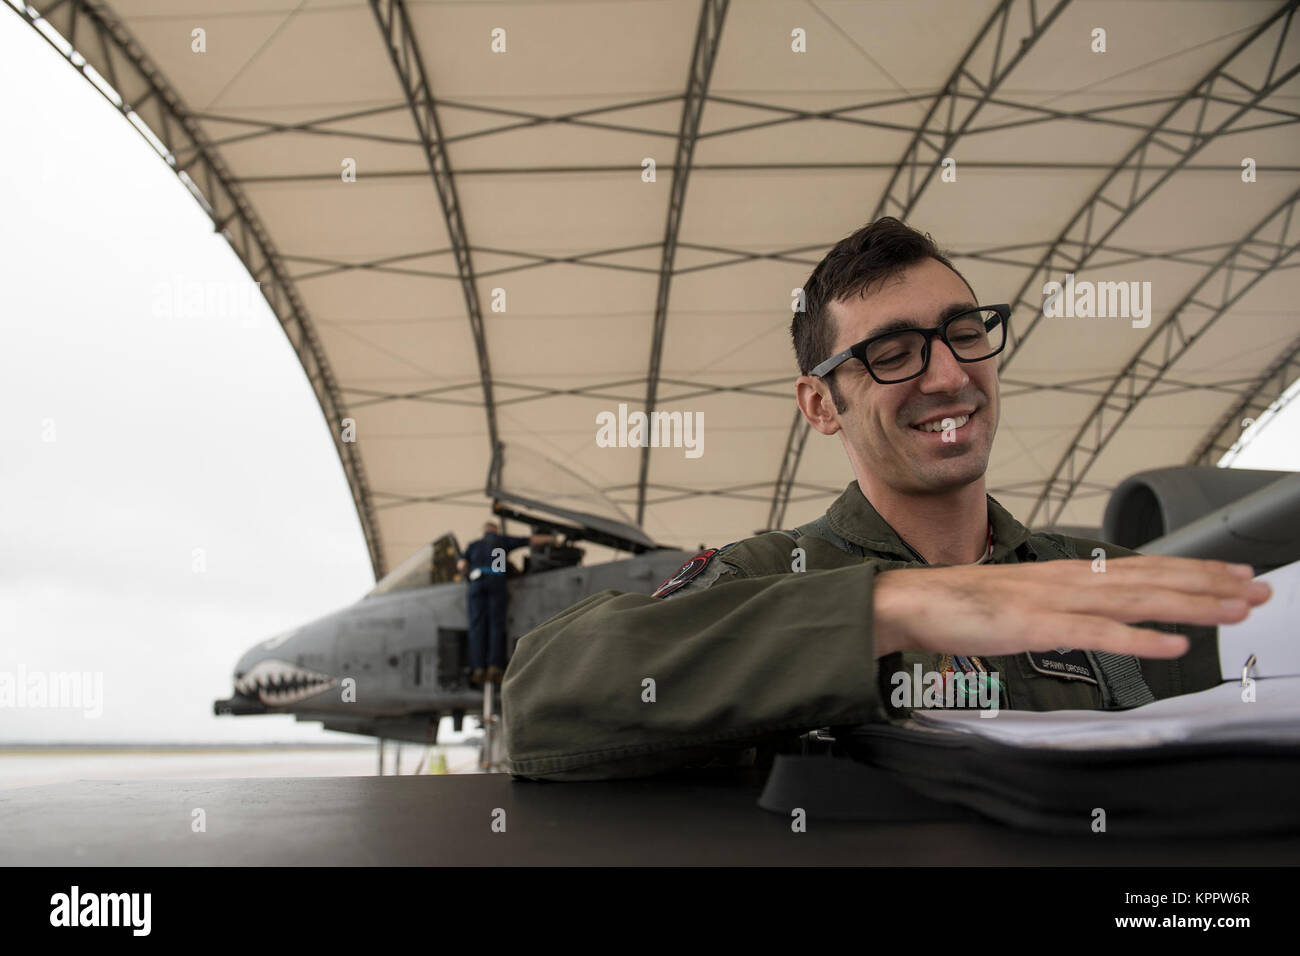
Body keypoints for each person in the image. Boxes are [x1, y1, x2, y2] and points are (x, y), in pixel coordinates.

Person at [502, 217, 1272, 781]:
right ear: (820, 405)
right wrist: (883, 610)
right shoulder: (770, 576)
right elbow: (543, 700)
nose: (947, 377)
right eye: (892, 354)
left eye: (965, 334)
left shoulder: (1113, 587)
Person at [457, 521, 556, 687]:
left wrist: (471, 573)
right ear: (495, 530)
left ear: (484, 531)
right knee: (496, 624)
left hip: (476, 582)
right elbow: (530, 540)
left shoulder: (474, 545)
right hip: (496, 579)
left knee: (476, 626)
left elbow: (461, 564)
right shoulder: (501, 541)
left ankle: (478, 668)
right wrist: (550, 539)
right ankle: (494, 666)